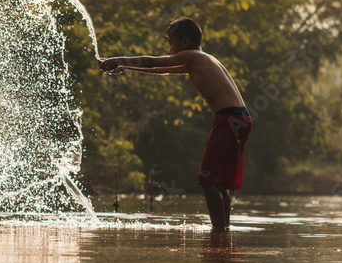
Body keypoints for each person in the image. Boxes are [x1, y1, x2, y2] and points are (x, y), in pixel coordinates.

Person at [99, 18, 252, 231]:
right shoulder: (201, 59)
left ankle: (219, 232)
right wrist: (125, 67)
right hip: (241, 118)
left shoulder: (191, 55)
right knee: (218, 181)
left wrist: (117, 59)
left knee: (206, 180)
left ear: (185, 41)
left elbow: (152, 61)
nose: (169, 48)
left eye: (171, 42)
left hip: (228, 118)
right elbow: (163, 69)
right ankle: (223, 232)